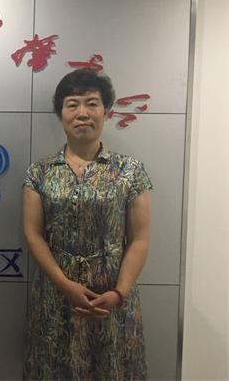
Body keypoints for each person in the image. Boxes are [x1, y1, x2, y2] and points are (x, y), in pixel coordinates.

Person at [22, 68, 152, 380]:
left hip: (113, 299)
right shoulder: (39, 172)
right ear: (61, 114)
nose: (82, 113)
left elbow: (139, 239)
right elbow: (33, 234)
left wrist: (119, 292)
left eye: (92, 103)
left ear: (106, 111)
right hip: (56, 296)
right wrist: (65, 285)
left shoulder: (130, 171)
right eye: (72, 104)